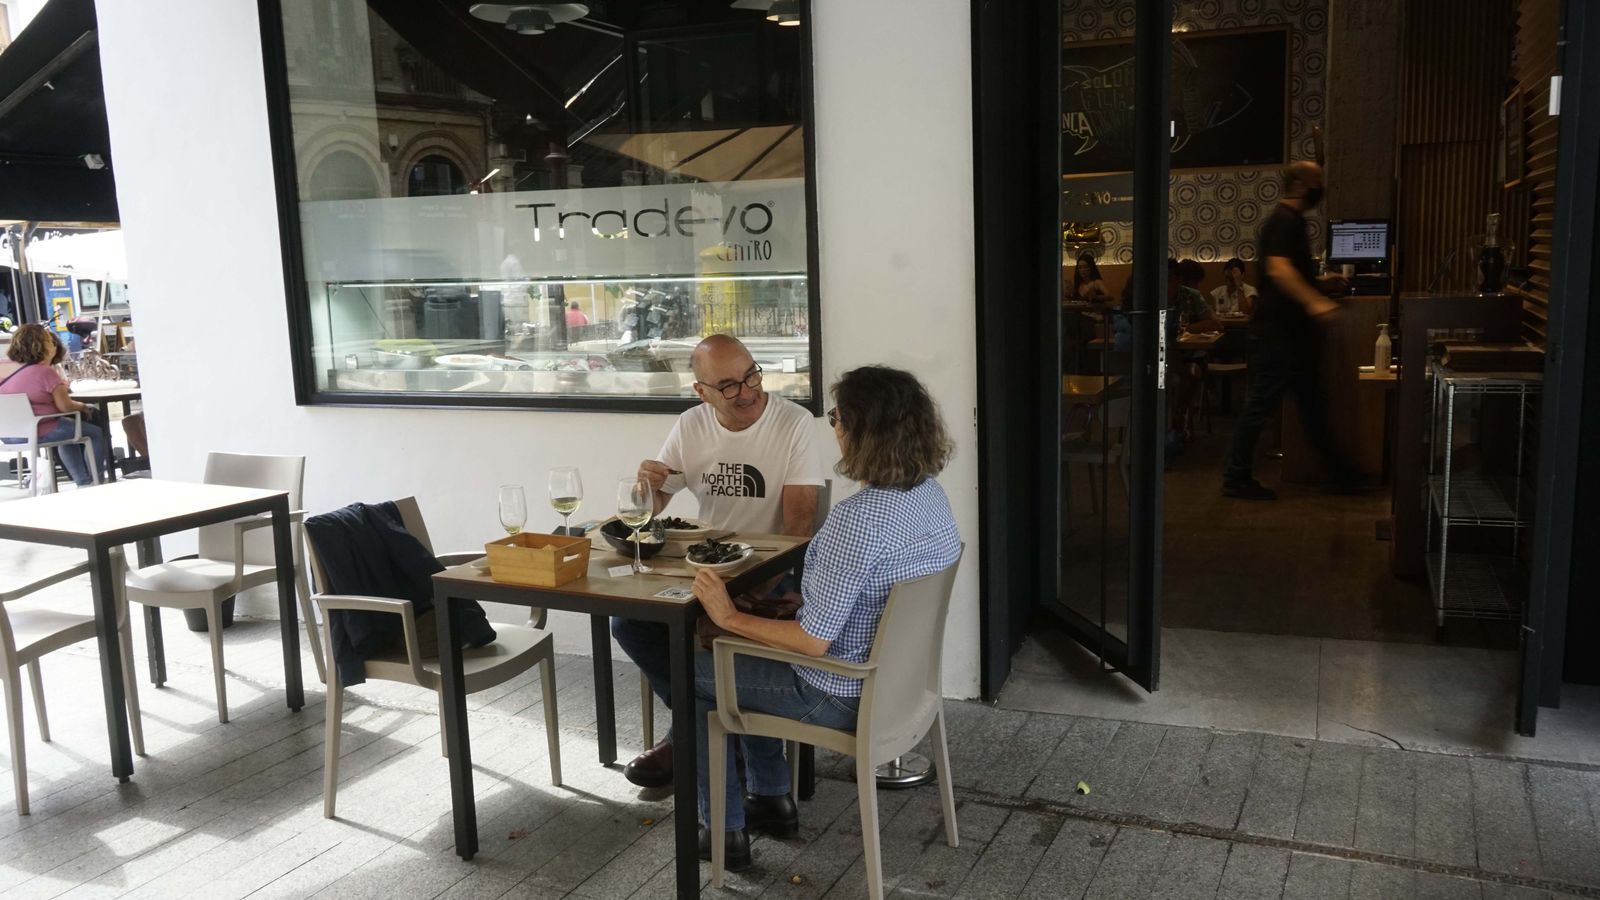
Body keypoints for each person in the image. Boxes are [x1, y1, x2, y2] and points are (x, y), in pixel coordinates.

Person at [689, 365, 961, 870]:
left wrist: (727, 615)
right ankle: (769, 796)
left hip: (839, 693)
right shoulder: (929, 495)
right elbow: (863, 599)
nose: (832, 426)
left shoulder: (856, 519)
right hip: (904, 690)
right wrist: (789, 608)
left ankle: (724, 830)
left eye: (837, 417)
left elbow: (813, 643)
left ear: (862, 431)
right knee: (733, 659)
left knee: (689, 672)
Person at [614, 334, 825, 789]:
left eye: (751, 376)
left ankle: (692, 740)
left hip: (774, 571)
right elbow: (654, 505)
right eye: (728, 385)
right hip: (707, 567)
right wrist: (646, 486)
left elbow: (800, 529)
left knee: (715, 628)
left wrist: (750, 590)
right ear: (702, 392)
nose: (747, 391)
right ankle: (698, 728)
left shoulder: (794, 422)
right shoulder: (691, 425)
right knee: (629, 623)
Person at [1223, 161, 1357, 500]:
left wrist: (1320, 283)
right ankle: (1235, 478)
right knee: (1262, 404)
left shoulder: (1290, 221)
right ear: (1299, 184)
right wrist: (1315, 301)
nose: (1320, 187)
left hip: (1289, 333)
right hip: (1277, 333)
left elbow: (1288, 275)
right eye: (1317, 181)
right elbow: (1280, 271)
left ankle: (1341, 473)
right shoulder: (1284, 221)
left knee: (1311, 403)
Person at [0, 324, 111, 488]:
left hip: (9, 434)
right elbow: (65, 406)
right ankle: (95, 481)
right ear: (42, 345)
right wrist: (82, 406)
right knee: (94, 433)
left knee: (68, 432)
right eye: (50, 342)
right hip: (40, 429)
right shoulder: (45, 372)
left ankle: (83, 481)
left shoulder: (7, 370)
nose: (54, 345)